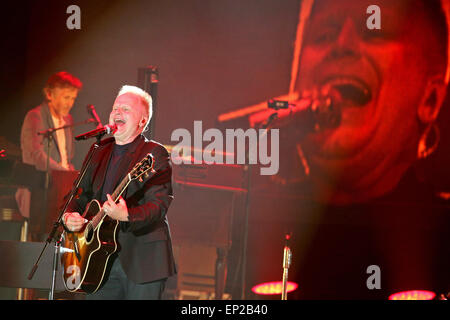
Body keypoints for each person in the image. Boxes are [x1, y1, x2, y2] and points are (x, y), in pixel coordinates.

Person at [246, 0, 450, 299]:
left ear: (430, 99)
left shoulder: (442, 233)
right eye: (323, 36)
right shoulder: (254, 220)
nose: (342, 45)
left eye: (375, 33)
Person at [63, 85, 176, 300]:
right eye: (115, 108)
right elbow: (77, 194)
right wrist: (69, 216)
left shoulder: (154, 154)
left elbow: (159, 205)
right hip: (98, 260)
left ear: (143, 121)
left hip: (142, 261)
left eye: (126, 109)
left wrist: (126, 216)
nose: (117, 113)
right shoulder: (99, 150)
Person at [15, 71, 82, 239]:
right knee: (41, 236)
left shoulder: (68, 120)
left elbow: (68, 156)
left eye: (73, 98)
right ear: (49, 94)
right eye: (66, 97)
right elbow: (36, 155)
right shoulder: (35, 116)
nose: (70, 103)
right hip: (39, 188)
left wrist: (72, 176)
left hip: (60, 187)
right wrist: (63, 173)